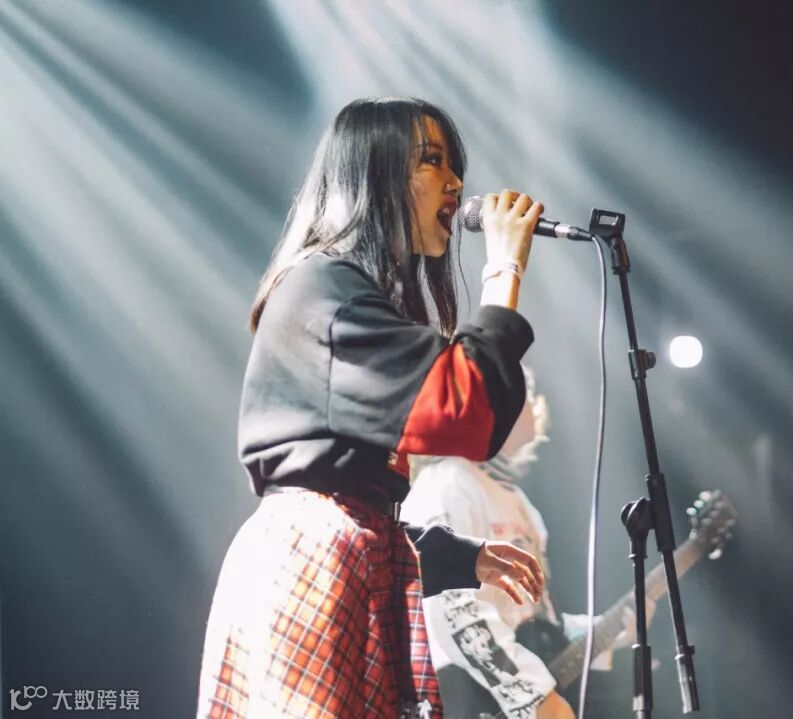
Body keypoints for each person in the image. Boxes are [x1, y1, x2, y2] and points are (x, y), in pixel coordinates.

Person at [197, 97, 549, 719]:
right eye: (432, 160)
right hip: (315, 564)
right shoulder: (324, 287)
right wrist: (504, 271)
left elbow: (356, 481)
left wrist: (457, 556)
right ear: (374, 172)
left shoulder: (347, 294)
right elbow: (464, 410)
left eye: (454, 165)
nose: (456, 182)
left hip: (343, 557)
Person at [402, 370, 654, 719]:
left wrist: (608, 629)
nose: (533, 400)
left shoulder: (520, 504)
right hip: (473, 701)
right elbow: (453, 613)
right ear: (486, 404)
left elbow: (536, 617)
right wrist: (533, 696)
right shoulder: (446, 485)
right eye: (523, 389)